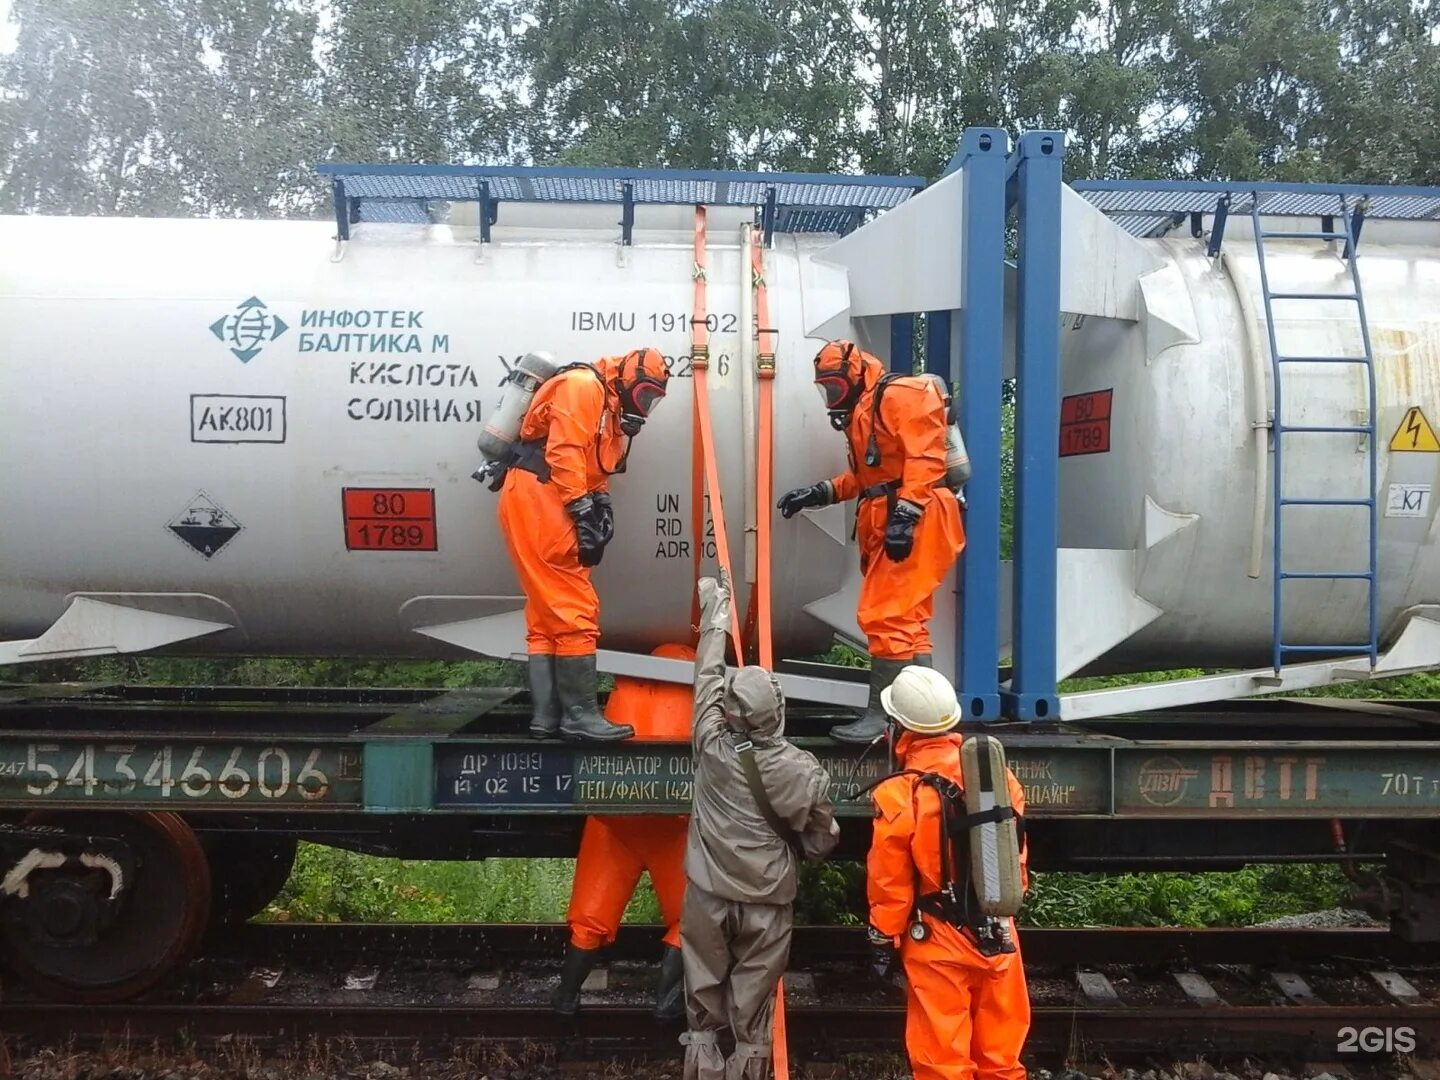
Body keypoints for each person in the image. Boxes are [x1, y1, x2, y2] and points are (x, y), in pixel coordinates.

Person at [680, 572, 841, 1080]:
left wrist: (716, 615)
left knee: (702, 994)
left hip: (707, 895)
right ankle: (748, 1067)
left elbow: (706, 678)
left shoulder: (710, 744)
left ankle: (701, 1065)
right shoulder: (801, 769)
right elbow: (821, 839)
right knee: (752, 1003)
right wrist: (808, 848)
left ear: (729, 716)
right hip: (767, 901)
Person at [777, 340, 964, 744]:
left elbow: (926, 460)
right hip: (897, 516)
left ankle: (882, 719)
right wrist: (819, 493)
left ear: (855, 375)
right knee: (908, 623)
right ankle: (919, 717)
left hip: (918, 518)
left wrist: (907, 515)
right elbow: (869, 479)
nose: (831, 397)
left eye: (834, 387)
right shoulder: (865, 409)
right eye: (825, 388)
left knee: (885, 616)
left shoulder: (899, 395)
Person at [498, 347, 670, 742]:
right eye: (645, 394)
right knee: (575, 606)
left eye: (653, 399)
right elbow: (564, 452)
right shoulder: (583, 386)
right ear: (628, 379)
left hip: (539, 496)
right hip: (542, 497)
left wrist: (600, 507)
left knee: (546, 614)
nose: (646, 405)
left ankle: (546, 717)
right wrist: (581, 509)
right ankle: (580, 715)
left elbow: (597, 466)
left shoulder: (607, 404)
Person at [866, 665, 1030, 1080]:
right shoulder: (998, 780)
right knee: (1001, 1060)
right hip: (999, 930)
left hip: (937, 939)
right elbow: (1017, 860)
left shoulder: (901, 792)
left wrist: (883, 936)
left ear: (898, 725)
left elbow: (890, 881)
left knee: (942, 1063)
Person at [551, 642, 694, 1021]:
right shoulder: (700, 688)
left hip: (614, 816)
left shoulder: (624, 684)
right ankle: (666, 1002)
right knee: (689, 916)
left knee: (590, 917)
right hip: (672, 821)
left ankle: (565, 997)